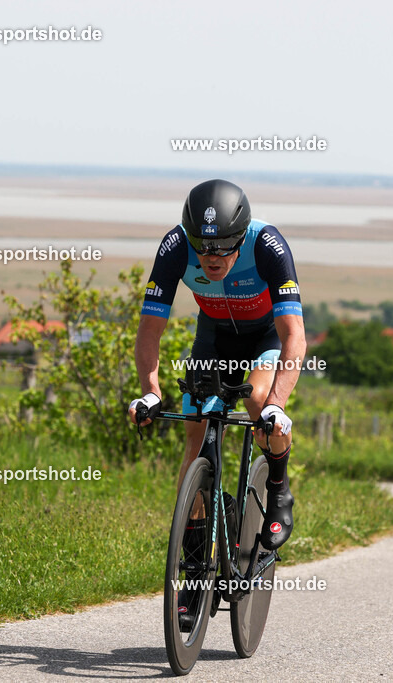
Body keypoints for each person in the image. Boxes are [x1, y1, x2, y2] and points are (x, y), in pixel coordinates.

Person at [127, 179, 306, 627]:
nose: (212, 258)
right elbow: (150, 330)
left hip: (265, 337)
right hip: (214, 337)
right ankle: (192, 575)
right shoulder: (174, 246)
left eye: (224, 248)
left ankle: (279, 487)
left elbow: (293, 336)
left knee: (261, 401)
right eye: (203, 248)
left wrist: (278, 405)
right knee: (195, 435)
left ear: (240, 236)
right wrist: (150, 391)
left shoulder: (268, 243)